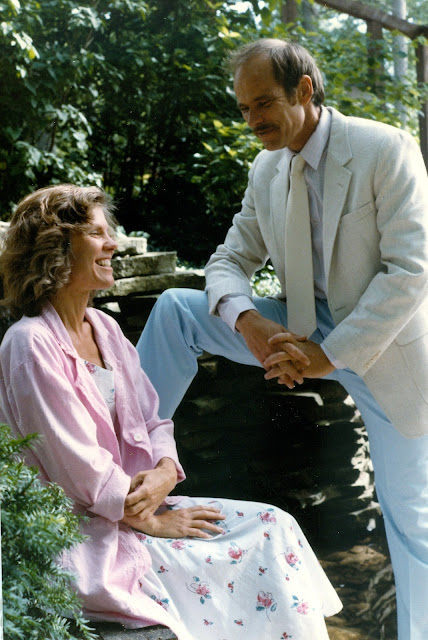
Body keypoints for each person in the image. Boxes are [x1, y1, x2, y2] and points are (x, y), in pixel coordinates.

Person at [136, 39, 428, 640]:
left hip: (387, 349)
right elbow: (228, 260)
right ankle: (126, 461)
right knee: (176, 310)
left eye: (263, 103)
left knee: (413, 521)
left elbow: (410, 271)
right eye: (243, 109)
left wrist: (329, 355)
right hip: (295, 331)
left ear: (304, 90)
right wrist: (249, 321)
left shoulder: (384, 147)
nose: (253, 120)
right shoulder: (267, 168)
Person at [0, 184, 342, 640]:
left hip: (134, 507)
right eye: (97, 234)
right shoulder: (30, 344)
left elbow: (153, 418)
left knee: (274, 525)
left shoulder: (104, 328)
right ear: (55, 249)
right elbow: (75, 465)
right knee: (228, 558)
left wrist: (164, 469)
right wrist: (154, 521)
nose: (112, 244)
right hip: (85, 532)